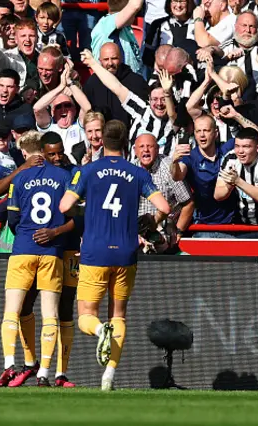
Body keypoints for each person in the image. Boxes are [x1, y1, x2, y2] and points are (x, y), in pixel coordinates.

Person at [59, 120, 170, 391]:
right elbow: (164, 206)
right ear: (125, 142)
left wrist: (85, 212)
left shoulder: (88, 171)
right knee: (118, 315)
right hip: (126, 252)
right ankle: (108, 376)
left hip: (95, 251)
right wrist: (152, 221)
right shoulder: (137, 173)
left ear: (101, 141)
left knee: (86, 314)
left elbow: (64, 206)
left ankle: (100, 331)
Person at [0, 131, 71, 388]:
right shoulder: (64, 177)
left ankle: (8, 364)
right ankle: (45, 373)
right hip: (52, 251)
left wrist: (26, 234)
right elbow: (74, 213)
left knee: (11, 311)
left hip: (23, 248)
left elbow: (12, 217)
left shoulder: (22, 176)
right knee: (50, 314)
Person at [171, 115, 237, 235]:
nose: (202, 135)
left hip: (232, 223)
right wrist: (174, 162)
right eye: (198, 131)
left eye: (206, 130)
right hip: (203, 224)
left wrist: (236, 115)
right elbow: (177, 176)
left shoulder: (226, 149)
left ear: (215, 133)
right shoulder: (190, 157)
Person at [215, 127, 258, 228]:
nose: (240, 151)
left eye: (246, 147)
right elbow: (217, 195)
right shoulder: (230, 158)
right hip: (241, 224)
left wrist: (237, 181)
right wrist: (229, 185)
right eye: (237, 146)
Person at [91, 0, 144, 74]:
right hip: (111, 82)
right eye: (133, 13)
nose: (134, 15)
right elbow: (135, 6)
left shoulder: (125, 27)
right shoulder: (107, 23)